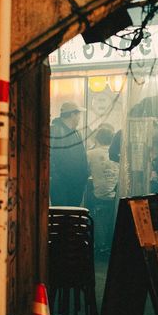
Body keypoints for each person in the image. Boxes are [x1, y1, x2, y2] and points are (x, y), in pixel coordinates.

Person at [87, 127, 120, 255]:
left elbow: (85, 172)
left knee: (90, 197)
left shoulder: (91, 154)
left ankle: (97, 243)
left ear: (97, 139)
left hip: (100, 196)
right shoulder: (118, 153)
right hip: (116, 196)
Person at [50, 101, 89, 206]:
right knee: (62, 215)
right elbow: (50, 155)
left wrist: (84, 175)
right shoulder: (55, 130)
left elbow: (81, 156)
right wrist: (56, 177)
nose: (79, 118)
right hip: (61, 185)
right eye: (78, 114)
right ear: (72, 114)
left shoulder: (76, 132)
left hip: (76, 184)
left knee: (73, 215)